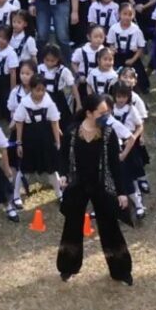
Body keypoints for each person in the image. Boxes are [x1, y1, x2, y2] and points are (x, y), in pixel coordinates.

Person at [55, 94, 133, 286]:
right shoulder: (73, 131)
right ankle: (68, 267)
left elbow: (115, 165)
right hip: (77, 185)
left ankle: (121, 271)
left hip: (101, 185)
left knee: (110, 227)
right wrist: (64, 174)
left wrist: (121, 192)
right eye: (102, 112)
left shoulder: (108, 133)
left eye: (107, 112)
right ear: (89, 113)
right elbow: (63, 157)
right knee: (72, 226)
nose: (106, 116)